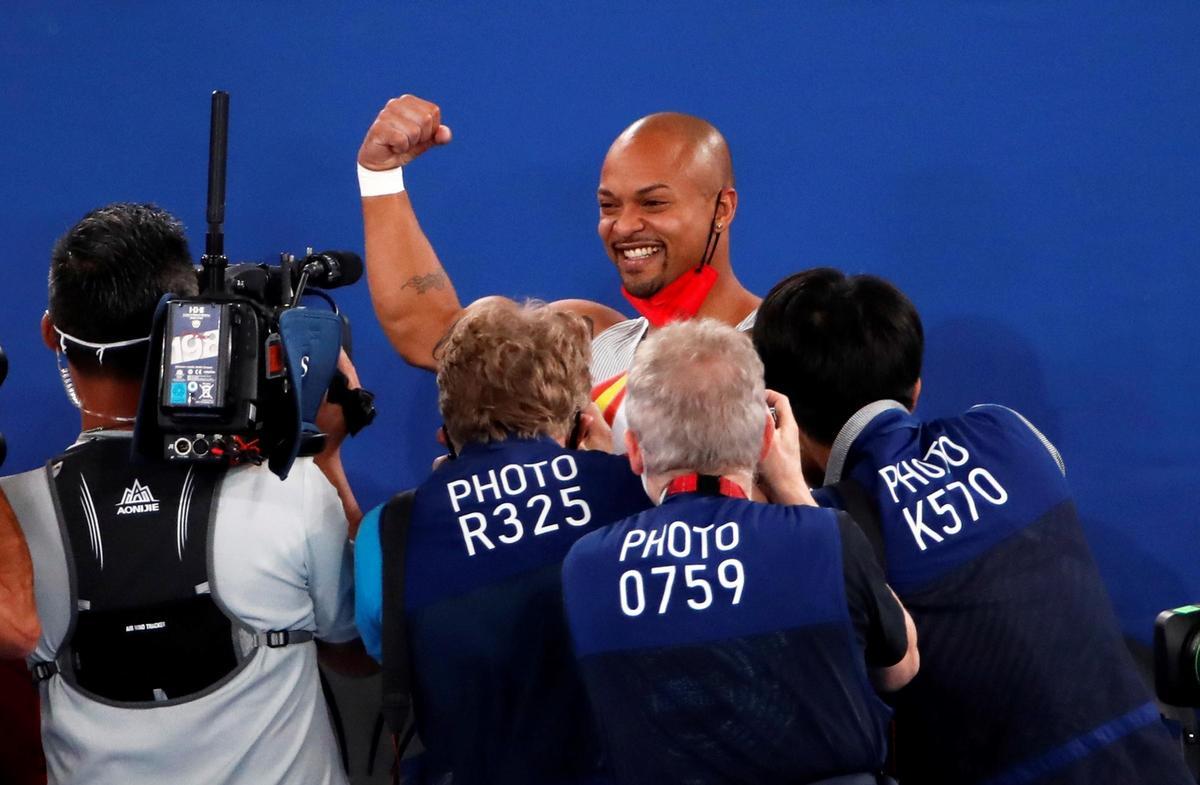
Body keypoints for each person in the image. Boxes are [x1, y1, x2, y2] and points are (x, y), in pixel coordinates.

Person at [752, 268, 1193, 785]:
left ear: (777, 412)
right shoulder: (1009, 431)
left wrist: (781, 486)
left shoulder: (827, 532)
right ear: (914, 389)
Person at [2, 203, 374, 785]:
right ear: (191, 322)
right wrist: (325, 460)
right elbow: (355, 650)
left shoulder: (11, 525)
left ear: (52, 333)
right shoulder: (292, 490)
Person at [561, 318, 918, 785]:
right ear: (767, 438)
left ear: (634, 451)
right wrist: (792, 486)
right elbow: (901, 667)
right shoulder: (824, 536)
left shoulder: (587, 566)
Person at [354, 297, 652, 785]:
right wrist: (608, 464)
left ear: (447, 425)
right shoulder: (633, 490)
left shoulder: (387, 532)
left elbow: (388, 654)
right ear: (580, 414)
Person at [356, 95, 760, 446]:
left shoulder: (785, 342)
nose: (623, 226)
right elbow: (430, 332)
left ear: (722, 209)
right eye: (609, 206)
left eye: (653, 204)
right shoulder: (588, 343)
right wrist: (380, 175)